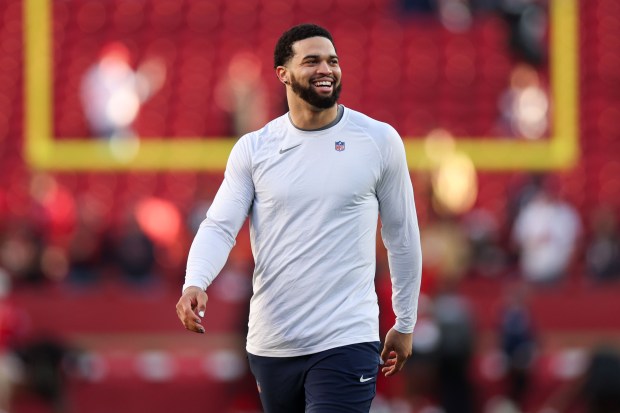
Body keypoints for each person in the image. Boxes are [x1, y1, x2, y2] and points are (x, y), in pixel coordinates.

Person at [176, 23, 423, 413]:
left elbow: (403, 237)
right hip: (272, 342)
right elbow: (220, 226)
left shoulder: (378, 140)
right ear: (283, 74)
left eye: (332, 61)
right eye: (312, 61)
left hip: (347, 337)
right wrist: (196, 281)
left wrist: (406, 321)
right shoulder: (254, 149)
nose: (326, 68)